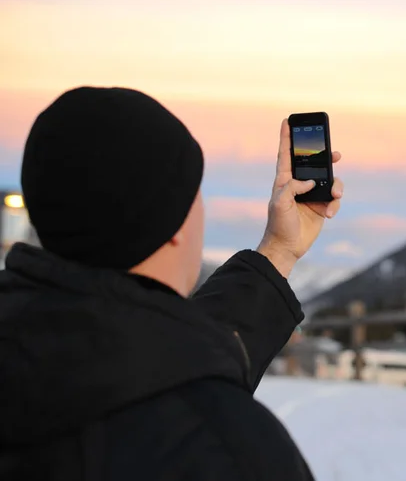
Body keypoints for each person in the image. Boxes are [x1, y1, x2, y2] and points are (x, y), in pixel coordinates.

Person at [0, 87, 343, 480]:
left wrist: (279, 250)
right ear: (175, 226)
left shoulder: (34, 354)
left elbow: (158, 355)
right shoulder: (231, 451)